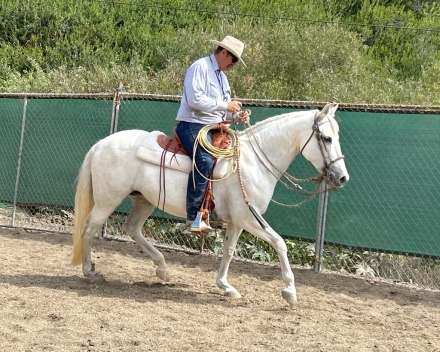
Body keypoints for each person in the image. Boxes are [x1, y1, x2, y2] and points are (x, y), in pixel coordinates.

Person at [175, 35, 250, 234]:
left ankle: (216, 210)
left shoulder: (222, 78)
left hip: (213, 128)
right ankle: (193, 216)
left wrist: (235, 116)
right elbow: (194, 100)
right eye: (233, 59)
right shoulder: (199, 67)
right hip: (191, 124)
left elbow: (222, 113)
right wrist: (226, 105)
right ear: (224, 52)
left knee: (232, 161)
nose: (233, 64)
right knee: (205, 161)